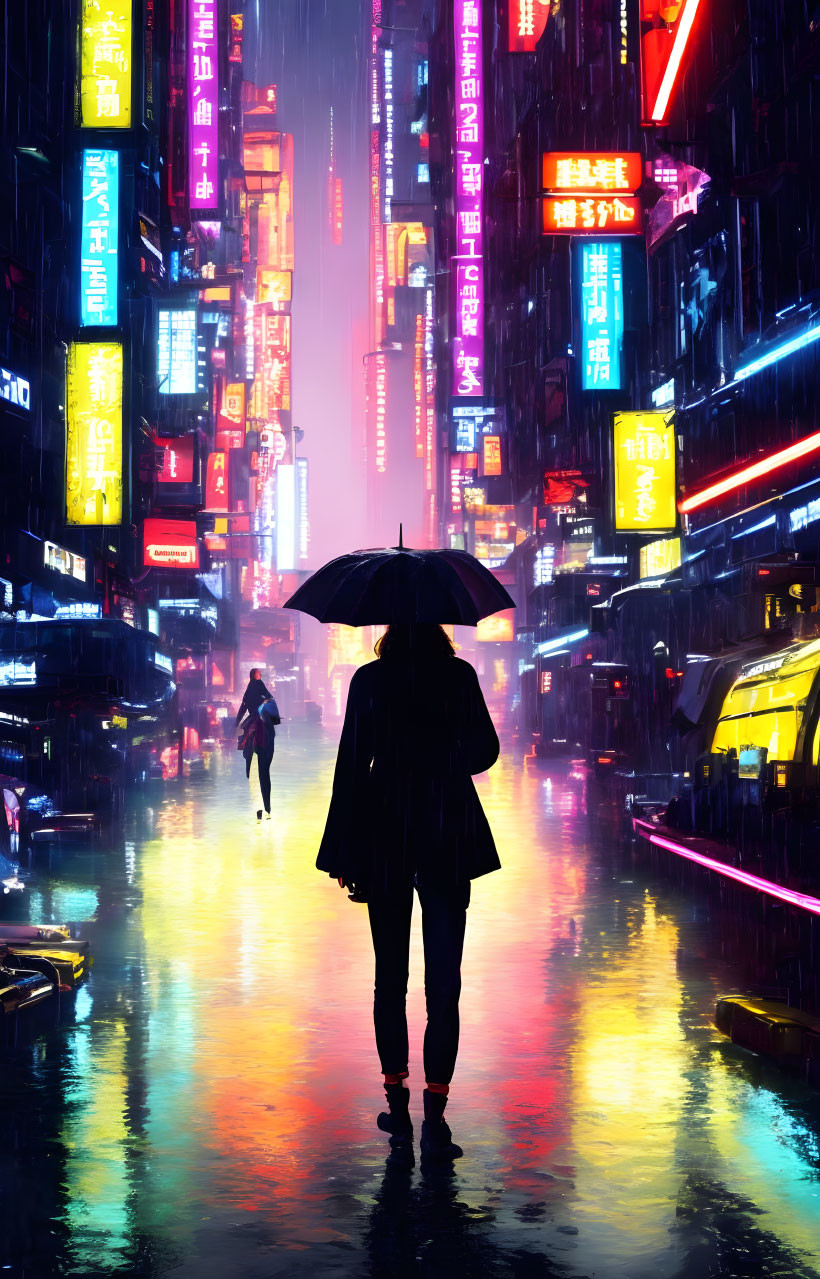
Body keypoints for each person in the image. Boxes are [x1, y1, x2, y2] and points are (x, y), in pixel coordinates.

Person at [317, 623, 500, 1162]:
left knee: (388, 977)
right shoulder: (459, 675)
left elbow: (351, 764)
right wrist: (444, 753)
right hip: (447, 830)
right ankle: (437, 1112)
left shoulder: (370, 680)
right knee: (444, 981)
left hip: (386, 830)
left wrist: (343, 852)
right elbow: (484, 751)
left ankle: (396, 1104)